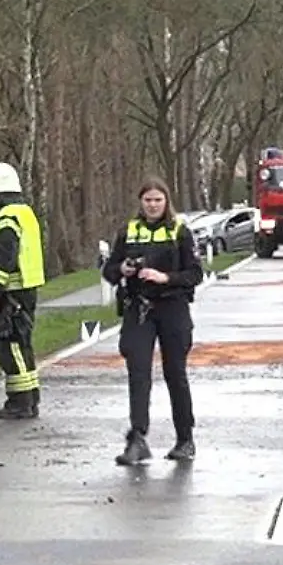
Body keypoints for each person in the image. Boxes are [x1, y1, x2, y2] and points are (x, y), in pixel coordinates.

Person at [102, 178, 202, 465]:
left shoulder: (180, 231)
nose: (153, 205)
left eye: (158, 200)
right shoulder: (129, 231)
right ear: (140, 202)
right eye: (148, 200)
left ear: (166, 201)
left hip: (172, 306)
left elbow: (195, 273)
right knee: (138, 371)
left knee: (175, 373)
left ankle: (185, 438)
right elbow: (109, 270)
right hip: (139, 307)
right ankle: (137, 437)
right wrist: (122, 269)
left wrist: (165, 277)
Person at [0, 162, 45, 419]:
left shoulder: (6, 219)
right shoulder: (23, 212)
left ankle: (21, 401)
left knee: (11, 345)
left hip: (12, 291)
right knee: (22, 344)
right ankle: (30, 397)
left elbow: (5, 256)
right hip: (25, 287)